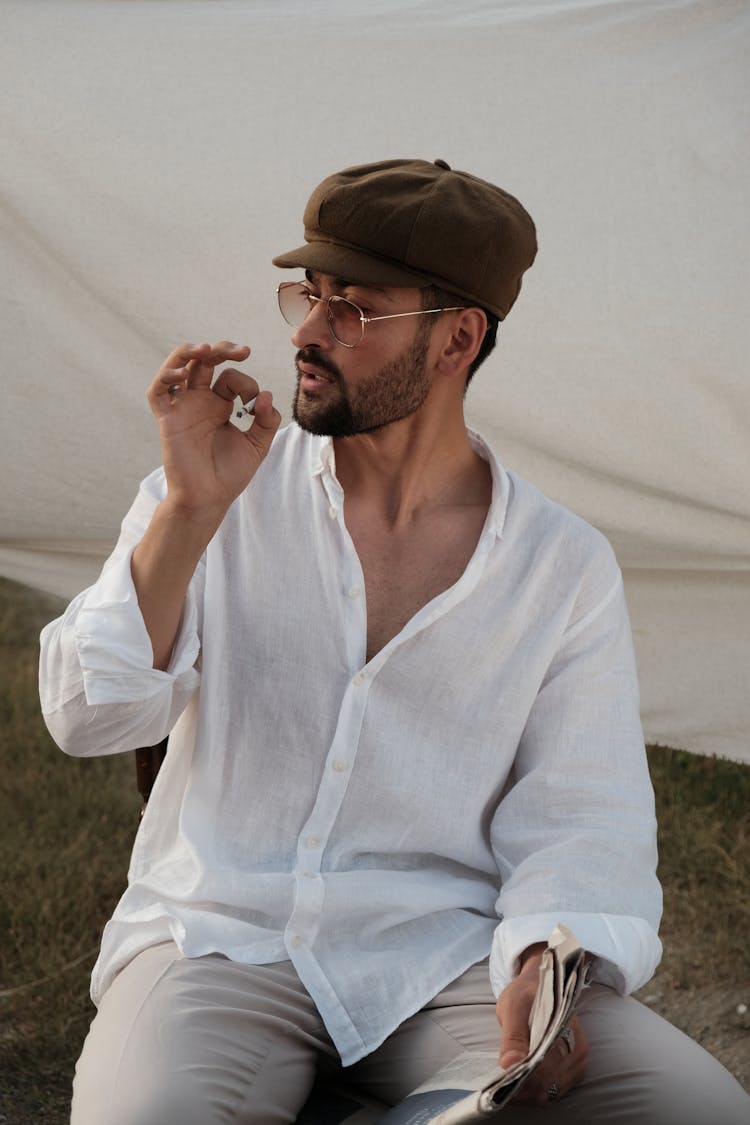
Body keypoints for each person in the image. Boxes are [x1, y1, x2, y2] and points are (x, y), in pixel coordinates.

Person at [39, 158, 749, 1125]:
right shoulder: (213, 490)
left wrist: (543, 957)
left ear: (459, 337)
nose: (309, 332)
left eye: (355, 310)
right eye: (311, 296)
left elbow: (585, 813)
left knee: (694, 1106)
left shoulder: (560, 565)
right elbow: (88, 711)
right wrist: (191, 512)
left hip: (438, 957)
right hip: (217, 937)